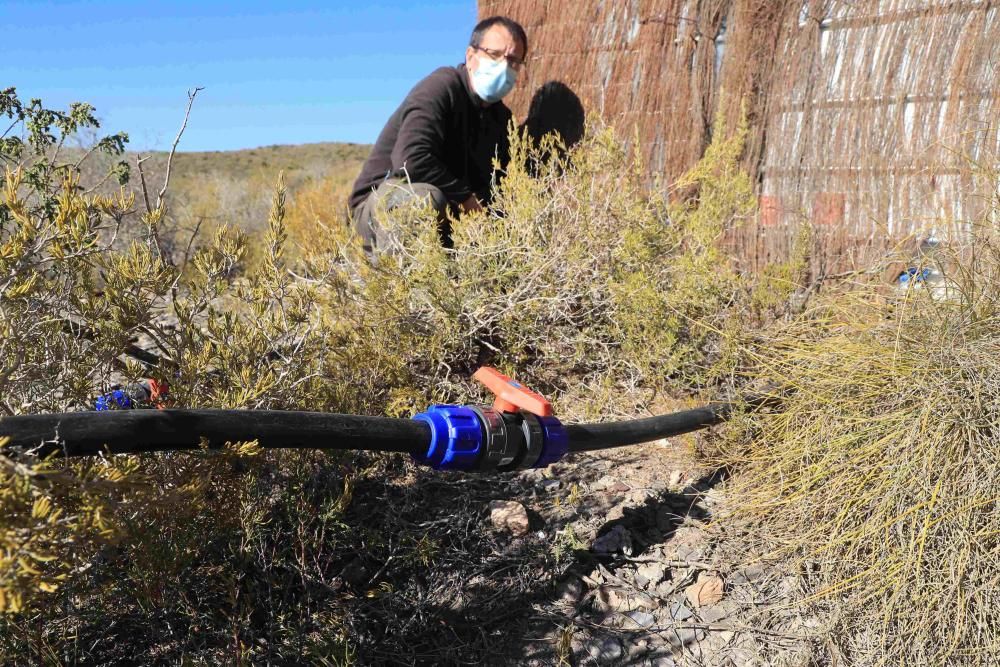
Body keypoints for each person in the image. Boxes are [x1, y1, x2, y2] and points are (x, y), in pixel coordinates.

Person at [348, 16, 528, 254]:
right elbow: (410, 160)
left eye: (514, 61)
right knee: (422, 199)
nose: (504, 67)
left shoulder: (501, 119)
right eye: (494, 54)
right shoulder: (441, 87)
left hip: (447, 210)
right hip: (380, 206)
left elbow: (499, 186)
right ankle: (398, 288)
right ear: (471, 56)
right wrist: (467, 200)